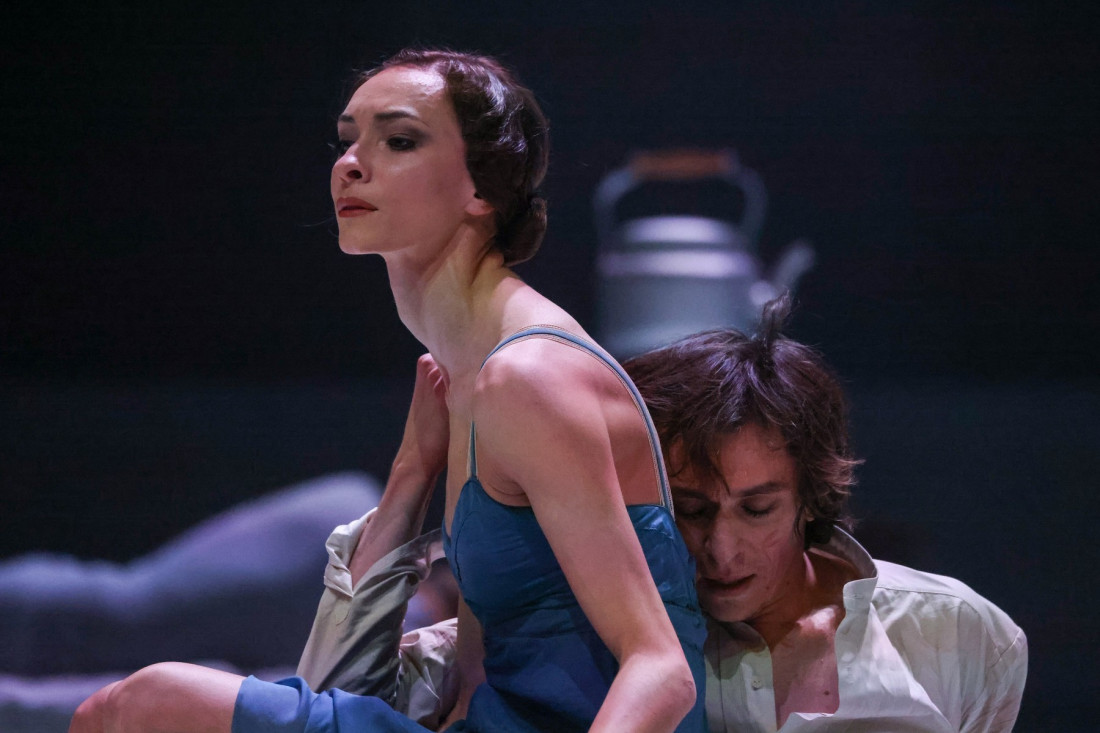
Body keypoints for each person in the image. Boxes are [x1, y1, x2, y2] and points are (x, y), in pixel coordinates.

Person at [69, 48, 706, 733]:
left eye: (399, 141)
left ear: (482, 188)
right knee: (114, 708)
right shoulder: (470, 371)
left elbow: (661, 668)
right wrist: (411, 471)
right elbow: (405, 682)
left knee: (143, 703)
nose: (351, 163)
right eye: (348, 140)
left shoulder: (527, 376)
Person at [303, 295, 1027, 732]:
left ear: (810, 497)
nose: (720, 548)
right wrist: (412, 474)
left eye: (757, 508)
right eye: (691, 510)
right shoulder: (587, 637)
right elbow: (328, 705)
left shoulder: (961, 634)